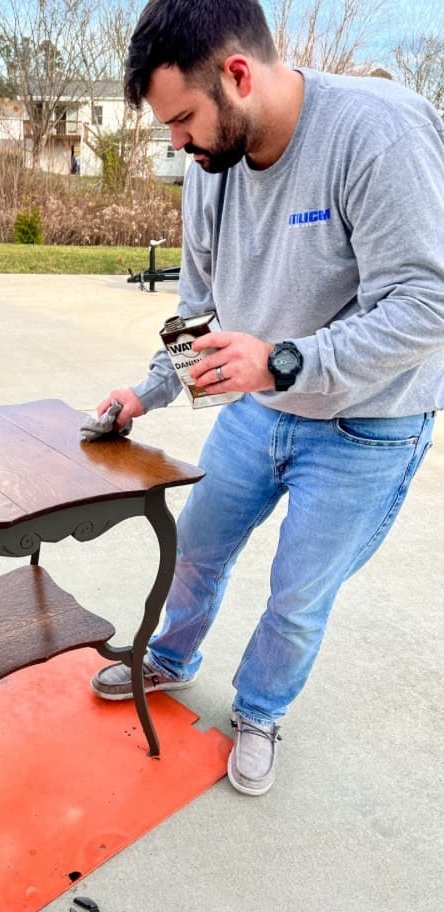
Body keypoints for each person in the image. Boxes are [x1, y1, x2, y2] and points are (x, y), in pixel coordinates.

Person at [90, 0, 443, 795]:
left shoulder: (377, 133)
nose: (176, 142)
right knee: (198, 550)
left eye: (182, 119)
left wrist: (282, 361)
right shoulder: (210, 170)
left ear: (238, 75)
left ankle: (259, 709)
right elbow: (198, 311)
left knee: (296, 596)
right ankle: (171, 659)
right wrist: (148, 392)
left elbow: (427, 305)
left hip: (368, 426)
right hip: (258, 411)